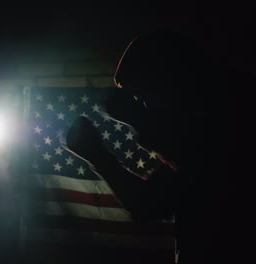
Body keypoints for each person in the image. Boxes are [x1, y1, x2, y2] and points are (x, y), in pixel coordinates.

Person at [66, 29, 230, 263]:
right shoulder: (195, 134)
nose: (146, 109)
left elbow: (196, 153)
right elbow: (150, 203)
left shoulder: (228, 126)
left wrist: (136, 122)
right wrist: (98, 155)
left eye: (146, 99)